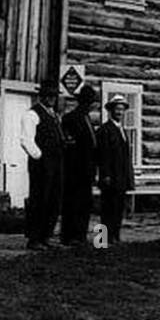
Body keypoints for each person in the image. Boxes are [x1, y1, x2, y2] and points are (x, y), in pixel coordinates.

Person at [21, 81, 65, 250]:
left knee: (53, 200)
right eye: (48, 95)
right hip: (42, 164)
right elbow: (26, 140)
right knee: (40, 199)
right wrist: (39, 156)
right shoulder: (32, 114)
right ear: (41, 96)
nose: (51, 99)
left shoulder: (54, 115)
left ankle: (46, 236)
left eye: (54, 96)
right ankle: (34, 239)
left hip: (56, 163)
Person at [61, 85, 100, 246]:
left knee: (84, 204)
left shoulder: (87, 119)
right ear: (81, 101)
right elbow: (70, 146)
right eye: (88, 101)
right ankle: (69, 236)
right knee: (72, 203)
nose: (90, 105)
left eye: (91, 102)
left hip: (87, 171)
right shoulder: (71, 118)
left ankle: (80, 235)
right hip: (75, 170)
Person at [96, 94, 135, 243]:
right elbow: (103, 155)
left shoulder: (122, 130)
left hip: (121, 176)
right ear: (110, 111)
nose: (119, 112)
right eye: (116, 109)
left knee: (118, 208)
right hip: (110, 176)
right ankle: (102, 239)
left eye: (121, 109)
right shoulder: (105, 130)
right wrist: (105, 175)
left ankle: (115, 236)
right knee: (107, 209)